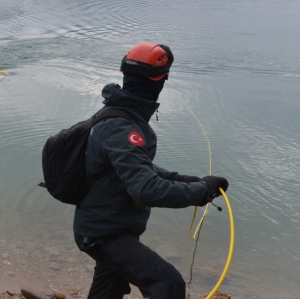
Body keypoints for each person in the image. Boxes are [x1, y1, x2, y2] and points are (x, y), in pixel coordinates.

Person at [73, 42, 229, 299]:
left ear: (125, 74)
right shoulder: (124, 128)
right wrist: (201, 192)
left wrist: (184, 180)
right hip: (105, 234)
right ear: (161, 80)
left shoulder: (118, 115)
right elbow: (145, 189)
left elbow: (133, 168)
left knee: (109, 288)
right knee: (167, 284)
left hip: (106, 228)